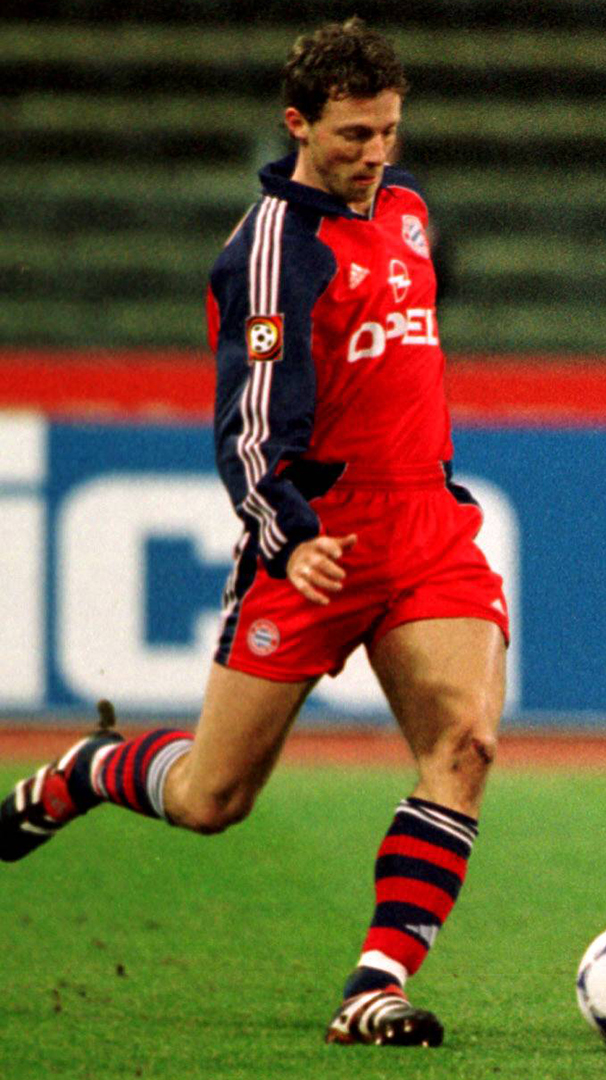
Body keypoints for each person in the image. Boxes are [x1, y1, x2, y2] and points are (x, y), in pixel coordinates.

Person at [0, 19, 508, 1048]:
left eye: (390, 131)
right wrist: (286, 533)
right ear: (298, 125)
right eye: (356, 134)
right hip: (317, 538)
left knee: (465, 746)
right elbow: (242, 425)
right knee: (209, 798)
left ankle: (375, 985)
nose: (376, 155)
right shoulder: (271, 254)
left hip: (424, 519)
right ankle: (90, 770)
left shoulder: (407, 208)